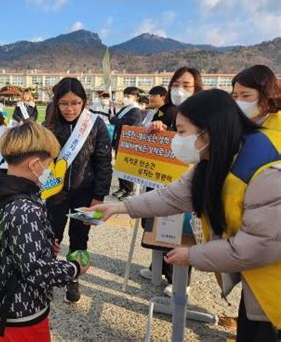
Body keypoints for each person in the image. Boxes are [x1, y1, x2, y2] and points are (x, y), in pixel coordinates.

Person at [90, 89, 281, 341]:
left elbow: (254, 248)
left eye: (182, 132)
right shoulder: (217, 156)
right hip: (260, 288)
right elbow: (173, 196)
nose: (176, 140)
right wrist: (120, 207)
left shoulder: (268, 174)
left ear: (209, 131)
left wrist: (191, 255)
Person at [0, 121, 89, 341]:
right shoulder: (24, 208)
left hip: (2, 297)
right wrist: (74, 268)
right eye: (50, 163)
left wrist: (43, 242)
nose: (51, 170)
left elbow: (12, 243)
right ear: (35, 164)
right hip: (22, 309)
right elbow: (37, 271)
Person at [44, 77, 112, 303]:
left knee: (79, 238)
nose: (70, 108)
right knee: (50, 236)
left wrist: (98, 198)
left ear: (84, 101)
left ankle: (74, 279)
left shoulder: (95, 124)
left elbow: (103, 163)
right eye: (64, 103)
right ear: (56, 102)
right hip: (55, 194)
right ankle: (48, 276)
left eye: (75, 103)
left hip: (85, 193)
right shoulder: (49, 125)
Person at [141, 69, 203, 296]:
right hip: (157, 177)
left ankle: (180, 278)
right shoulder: (163, 111)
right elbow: (149, 138)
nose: (180, 89)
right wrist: (154, 130)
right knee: (153, 224)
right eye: (176, 84)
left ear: (197, 87)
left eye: (186, 85)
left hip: (183, 181)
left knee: (180, 230)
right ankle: (157, 266)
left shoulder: (202, 113)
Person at [110, 87, 143, 199]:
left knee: (126, 167)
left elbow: (125, 123)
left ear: (136, 98)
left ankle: (129, 190)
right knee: (119, 166)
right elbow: (114, 119)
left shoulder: (136, 111)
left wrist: (115, 120)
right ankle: (122, 187)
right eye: (125, 96)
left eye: (129, 96)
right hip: (119, 140)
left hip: (127, 144)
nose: (126, 98)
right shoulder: (125, 108)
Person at [147, 67, 203, 133]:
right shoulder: (164, 110)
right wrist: (163, 129)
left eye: (186, 86)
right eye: (176, 85)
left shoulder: (203, 116)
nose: (179, 91)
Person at [232, 64, 280, 131]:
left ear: (266, 95)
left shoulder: (277, 128)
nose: (238, 101)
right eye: (235, 96)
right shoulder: (232, 125)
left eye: (246, 95)